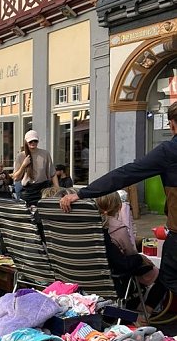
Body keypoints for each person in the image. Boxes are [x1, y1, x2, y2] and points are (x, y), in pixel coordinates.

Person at [62, 101, 177, 300]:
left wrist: (83, 193)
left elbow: (126, 174)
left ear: (173, 124)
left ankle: (144, 318)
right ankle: (145, 315)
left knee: (169, 275)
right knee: (168, 274)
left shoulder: (170, 151)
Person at [12, 130, 58, 206]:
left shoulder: (45, 154)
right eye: (30, 141)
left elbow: (52, 173)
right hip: (28, 190)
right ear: (26, 142)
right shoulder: (21, 156)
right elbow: (16, 177)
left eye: (35, 141)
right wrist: (23, 165)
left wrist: (57, 188)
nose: (33, 143)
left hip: (43, 189)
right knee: (29, 215)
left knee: (43, 213)